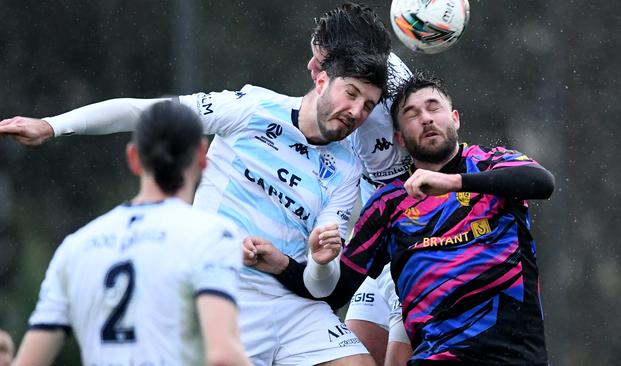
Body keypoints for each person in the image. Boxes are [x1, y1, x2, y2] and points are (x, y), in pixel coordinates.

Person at [1, 46, 387, 364]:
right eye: (351, 93)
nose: (356, 111)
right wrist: (53, 125)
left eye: (368, 105)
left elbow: (320, 287)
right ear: (321, 81)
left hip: (292, 303)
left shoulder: (348, 167)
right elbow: (147, 112)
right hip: (225, 289)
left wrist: (320, 262)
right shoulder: (250, 108)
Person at [247, 72, 555, 365]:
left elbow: (542, 183)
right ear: (401, 139)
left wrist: (454, 182)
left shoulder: (492, 163)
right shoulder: (389, 203)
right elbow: (335, 290)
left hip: (516, 356)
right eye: (411, 114)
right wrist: (287, 263)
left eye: (433, 107)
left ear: (455, 118)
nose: (425, 117)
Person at [12, 102, 249, 365]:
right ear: (202, 156)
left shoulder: (77, 246)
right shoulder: (212, 236)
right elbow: (223, 356)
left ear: (134, 158)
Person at [305, 4, 413, 365]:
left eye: (318, 60)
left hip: (411, 253)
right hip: (375, 253)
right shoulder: (375, 68)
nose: (310, 68)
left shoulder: (378, 119)